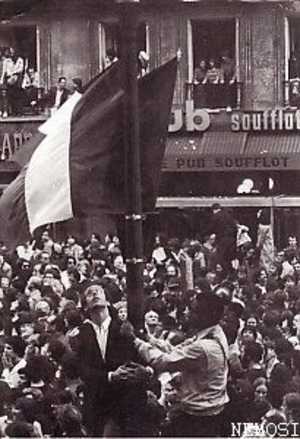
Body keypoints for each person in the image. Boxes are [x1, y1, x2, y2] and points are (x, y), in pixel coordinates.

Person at [121, 291, 229, 437]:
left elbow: (163, 361)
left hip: (198, 418)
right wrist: (148, 338)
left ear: (206, 315)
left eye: (193, 310)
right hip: (208, 411)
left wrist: (134, 340)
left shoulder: (203, 347)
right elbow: (177, 351)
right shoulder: (214, 333)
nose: (187, 312)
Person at [72, 283, 152, 436]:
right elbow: (83, 370)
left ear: (107, 301)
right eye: (90, 293)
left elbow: (144, 359)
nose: (95, 294)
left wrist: (143, 372)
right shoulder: (80, 335)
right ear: (85, 306)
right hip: (98, 402)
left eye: (99, 292)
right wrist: (110, 376)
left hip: (127, 400)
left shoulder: (126, 327)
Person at [208, 203, 238, 274]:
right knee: (228, 259)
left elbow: (211, 228)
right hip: (232, 241)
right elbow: (235, 228)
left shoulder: (216, 216)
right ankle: (231, 273)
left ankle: (224, 273)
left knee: (221, 258)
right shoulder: (229, 216)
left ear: (214, 210)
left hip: (222, 241)